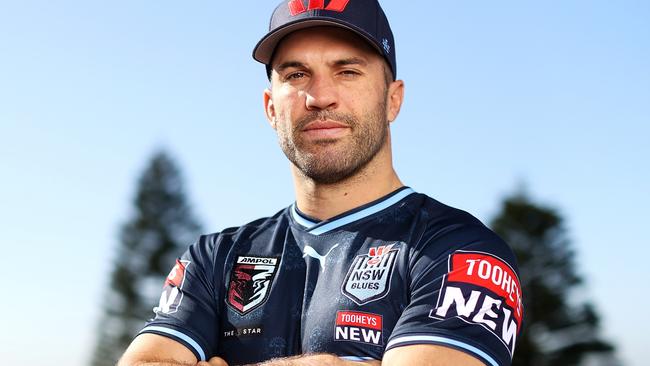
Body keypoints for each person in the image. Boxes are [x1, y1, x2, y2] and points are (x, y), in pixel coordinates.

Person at [119, 1, 524, 365]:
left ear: (392, 100)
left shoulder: (459, 250)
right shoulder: (215, 259)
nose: (320, 96)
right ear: (270, 108)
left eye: (347, 71)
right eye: (296, 74)